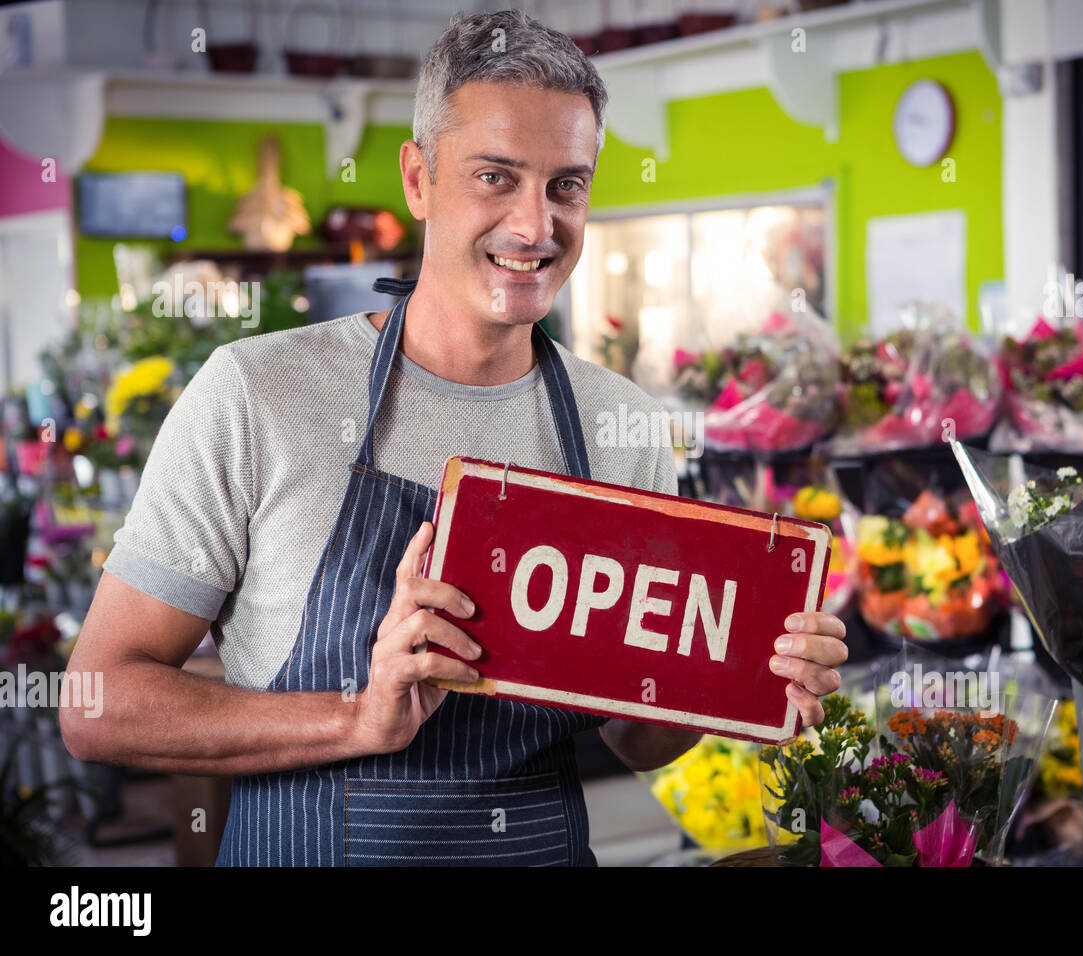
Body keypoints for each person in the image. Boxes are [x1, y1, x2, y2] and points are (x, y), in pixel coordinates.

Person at [60, 8, 847, 867]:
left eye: (566, 186)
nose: (534, 226)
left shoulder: (619, 429)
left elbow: (634, 738)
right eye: (495, 178)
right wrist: (356, 719)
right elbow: (98, 704)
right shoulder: (258, 394)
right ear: (419, 178)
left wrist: (742, 689)